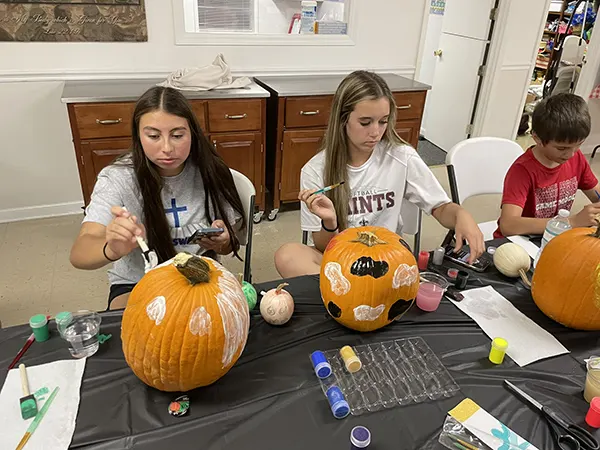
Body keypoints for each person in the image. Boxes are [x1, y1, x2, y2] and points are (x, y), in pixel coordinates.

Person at [274, 71, 485, 278]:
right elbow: (324, 245)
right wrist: (330, 222)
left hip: (387, 258)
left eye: (383, 121)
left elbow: (440, 208)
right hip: (341, 259)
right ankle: (356, 292)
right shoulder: (315, 170)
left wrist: (460, 215)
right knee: (287, 256)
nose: (375, 132)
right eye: (365, 122)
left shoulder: (402, 156)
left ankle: (353, 293)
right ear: (343, 119)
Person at [70, 86, 245, 310]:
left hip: (199, 279)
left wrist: (223, 243)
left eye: (177, 135)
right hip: (138, 283)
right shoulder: (118, 178)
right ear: (138, 135)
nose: (166, 148)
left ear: (192, 132)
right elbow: (79, 254)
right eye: (153, 136)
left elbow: (228, 247)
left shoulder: (211, 171)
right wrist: (111, 249)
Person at [497, 93, 600, 238]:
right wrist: (571, 221)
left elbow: (596, 194)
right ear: (537, 139)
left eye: (578, 146)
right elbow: (509, 225)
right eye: (561, 148)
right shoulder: (522, 170)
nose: (570, 154)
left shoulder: (576, 158)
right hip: (522, 240)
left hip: (554, 236)